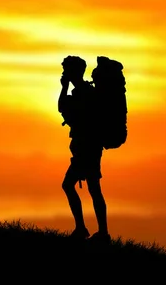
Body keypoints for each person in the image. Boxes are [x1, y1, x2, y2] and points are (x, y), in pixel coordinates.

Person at [58, 56, 111, 243]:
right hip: (88, 148)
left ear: (74, 72)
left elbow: (62, 108)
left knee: (77, 186)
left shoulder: (83, 92)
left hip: (86, 148)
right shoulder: (84, 91)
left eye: (66, 70)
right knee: (92, 188)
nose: (64, 73)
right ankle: (96, 231)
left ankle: (90, 230)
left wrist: (63, 88)